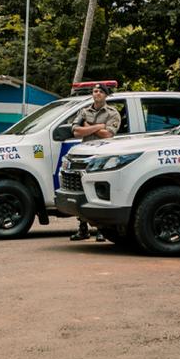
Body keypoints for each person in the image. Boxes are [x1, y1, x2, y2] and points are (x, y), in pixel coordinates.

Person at [68, 82, 123, 241]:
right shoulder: (84, 111)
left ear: (105, 95)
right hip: (84, 155)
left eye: (100, 91)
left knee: (100, 193)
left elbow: (108, 135)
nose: (97, 93)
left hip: (103, 157)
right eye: (95, 91)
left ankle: (102, 230)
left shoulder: (113, 113)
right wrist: (99, 126)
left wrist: (89, 126)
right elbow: (76, 131)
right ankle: (82, 229)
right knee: (81, 192)